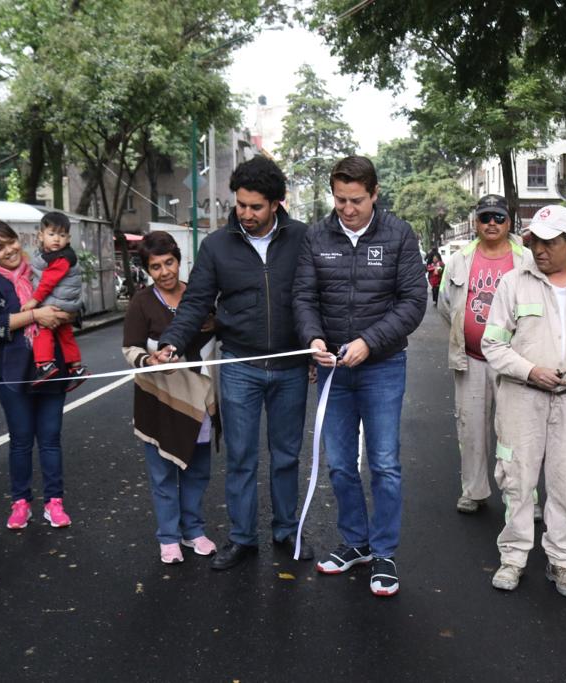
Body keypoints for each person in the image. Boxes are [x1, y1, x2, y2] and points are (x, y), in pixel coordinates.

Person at [156, 156, 312, 571]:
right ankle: (242, 537)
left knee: (286, 455)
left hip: (290, 366)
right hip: (240, 364)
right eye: (240, 205)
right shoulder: (217, 246)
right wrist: (171, 342)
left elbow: (316, 295)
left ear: (277, 203)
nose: (246, 214)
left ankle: (285, 530)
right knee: (241, 456)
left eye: (256, 207)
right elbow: (195, 304)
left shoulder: (302, 239)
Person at [293, 155, 427, 597]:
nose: (346, 209)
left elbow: (412, 302)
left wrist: (369, 341)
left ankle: (384, 553)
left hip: (383, 366)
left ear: (374, 195)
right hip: (331, 368)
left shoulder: (399, 235)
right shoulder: (317, 235)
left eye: (356, 200)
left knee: (384, 463)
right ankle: (356, 543)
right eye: (339, 199)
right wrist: (314, 339)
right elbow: (304, 297)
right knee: (338, 463)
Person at [480, 204, 566, 597]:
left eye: (548, 243)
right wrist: (530, 370)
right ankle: (513, 557)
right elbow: (492, 343)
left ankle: (563, 562)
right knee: (518, 479)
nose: (538, 250)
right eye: (534, 242)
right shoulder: (514, 282)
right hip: (522, 396)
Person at [0, 217, 75, 530]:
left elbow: (71, 301)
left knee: (50, 439)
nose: (8, 250)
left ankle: (54, 503)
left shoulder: (44, 270)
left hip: (51, 368)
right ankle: (21, 503)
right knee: (19, 440)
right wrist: (35, 314)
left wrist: (62, 314)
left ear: (20, 239)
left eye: (11, 242)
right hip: (11, 373)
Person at [124, 232, 218, 564]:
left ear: (179, 259)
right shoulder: (141, 302)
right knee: (162, 472)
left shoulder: (199, 295)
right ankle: (168, 536)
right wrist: (150, 360)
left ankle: (193, 531)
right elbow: (131, 348)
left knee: (197, 470)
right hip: (158, 398)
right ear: (147, 270)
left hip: (200, 397)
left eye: (169, 262)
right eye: (156, 266)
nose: (165, 271)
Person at [438, 194, 530, 514]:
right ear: (476, 222)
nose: (492, 223)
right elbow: (446, 304)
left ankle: (520, 496)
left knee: (516, 432)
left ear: (510, 222)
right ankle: (473, 491)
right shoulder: (459, 259)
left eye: (499, 218)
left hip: (514, 363)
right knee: (471, 429)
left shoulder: (526, 260)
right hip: (472, 359)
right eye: (486, 217)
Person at [23, 211, 87, 390]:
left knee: (43, 327)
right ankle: (76, 368)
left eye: (62, 235)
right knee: (65, 333)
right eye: (52, 234)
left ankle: (44, 364)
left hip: (59, 301)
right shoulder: (50, 255)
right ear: (41, 236)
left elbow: (48, 282)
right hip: (66, 302)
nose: (57, 239)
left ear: (68, 238)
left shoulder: (61, 258)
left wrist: (34, 301)